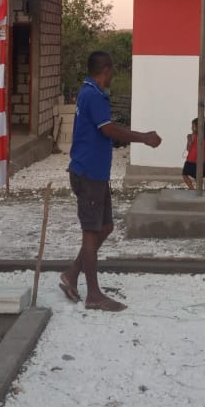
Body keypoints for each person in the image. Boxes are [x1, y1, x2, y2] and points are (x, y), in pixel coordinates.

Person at [59, 51, 162, 311]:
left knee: (105, 227)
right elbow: (108, 129)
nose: (113, 75)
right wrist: (144, 138)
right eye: (112, 71)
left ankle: (72, 273)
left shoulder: (89, 91)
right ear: (106, 70)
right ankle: (93, 295)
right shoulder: (94, 95)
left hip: (96, 174)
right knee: (91, 233)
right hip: (88, 174)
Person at [182, 118, 205, 190]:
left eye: (193, 126)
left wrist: (189, 140)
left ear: (198, 127)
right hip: (199, 161)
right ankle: (196, 189)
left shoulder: (195, 136)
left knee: (185, 175)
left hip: (193, 160)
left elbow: (188, 148)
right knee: (197, 177)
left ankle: (193, 189)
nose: (191, 128)